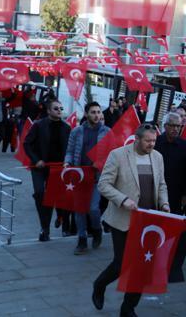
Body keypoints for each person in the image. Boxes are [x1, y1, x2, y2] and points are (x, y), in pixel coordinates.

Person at [92, 124, 170, 316]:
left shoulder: (158, 157)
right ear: (137, 139)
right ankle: (99, 284)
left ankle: (128, 308)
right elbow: (103, 185)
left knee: (142, 266)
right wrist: (123, 199)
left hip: (148, 221)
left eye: (154, 141)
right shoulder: (118, 155)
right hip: (123, 219)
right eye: (148, 141)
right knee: (121, 264)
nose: (152, 144)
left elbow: (161, 184)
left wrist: (165, 204)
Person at [64, 101, 111, 255]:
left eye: (98, 112)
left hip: (97, 177)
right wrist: (67, 162)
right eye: (93, 112)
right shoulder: (76, 131)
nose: (97, 115)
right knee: (79, 210)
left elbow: (113, 155)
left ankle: (97, 229)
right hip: (79, 176)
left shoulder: (107, 132)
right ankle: (82, 239)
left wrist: (101, 163)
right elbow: (70, 150)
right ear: (86, 114)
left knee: (93, 209)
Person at [24, 99, 71, 241]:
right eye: (56, 109)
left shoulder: (66, 127)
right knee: (39, 194)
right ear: (49, 111)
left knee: (52, 197)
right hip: (39, 167)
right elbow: (27, 144)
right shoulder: (38, 125)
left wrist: (67, 162)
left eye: (61, 108)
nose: (59, 111)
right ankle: (44, 227)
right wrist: (36, 160)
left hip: (57, 168)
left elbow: (70, 147)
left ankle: (54, 223)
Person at [154, 112, 186, 282]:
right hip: (156, 195)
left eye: (178, 126)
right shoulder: (156, 144)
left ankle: (171, 266)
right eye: (172, 126)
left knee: (174, 231)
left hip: (178, 196)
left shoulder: (185, 146)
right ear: (165, 126)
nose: (176, 129)